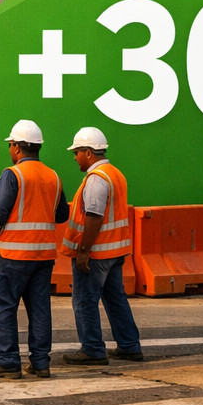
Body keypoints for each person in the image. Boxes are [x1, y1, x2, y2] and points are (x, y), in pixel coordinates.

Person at [0, 119, 70, 380]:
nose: (10, 149)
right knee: (40, 309)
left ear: (17, 147)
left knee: (3, 306)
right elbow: (61, 214)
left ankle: (7, 361)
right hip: (43, 256)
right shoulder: (53, 176)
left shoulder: (13, 174)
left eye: (11, 145)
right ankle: (40, 362)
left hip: (12, 256)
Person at [61, 127, 143, 365]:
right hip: (114, 251)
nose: (75, 157)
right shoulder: (114, 173)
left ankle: (93, 349)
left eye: (76, 152)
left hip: (97, 254)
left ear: (88, 152)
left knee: (84, 300)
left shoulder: (96, 179)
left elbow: (94, 216)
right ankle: (129, 345)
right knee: (115, 298)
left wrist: (84, 252)